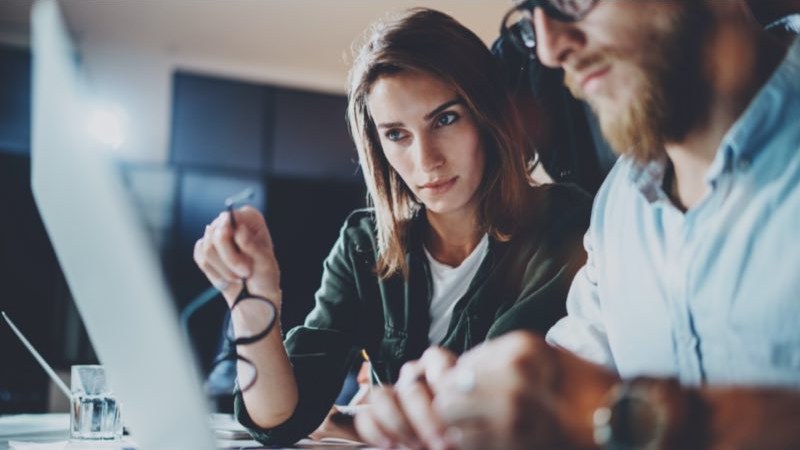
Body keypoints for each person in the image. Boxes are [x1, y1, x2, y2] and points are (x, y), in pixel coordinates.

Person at [354, 1, 800, 449]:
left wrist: (632, 417)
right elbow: (563, 377)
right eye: (533, 18)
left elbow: (595, 410)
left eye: (570, 2)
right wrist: (459, 407)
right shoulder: (619, 205)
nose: (550, 50)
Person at [193, 7, 591, 446]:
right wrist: (252, 300)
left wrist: (358, 423)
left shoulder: (560, 223)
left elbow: (487, 399)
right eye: (397, 134)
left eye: (445, 119)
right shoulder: (364, 244)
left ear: (487, 116)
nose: (426, 161)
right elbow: (279, 420)